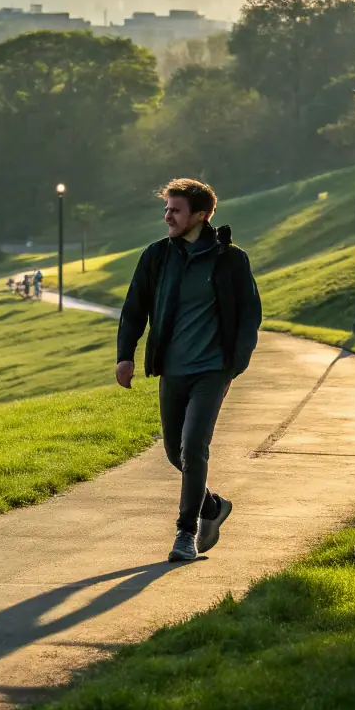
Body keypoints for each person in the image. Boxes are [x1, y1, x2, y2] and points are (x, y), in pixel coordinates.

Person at [116, 178, 262, 564]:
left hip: (212, 371)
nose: (167, 216)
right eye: (166, 208)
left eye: (175, 210)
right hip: (173, 370)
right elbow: (135, 308)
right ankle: (212, 506)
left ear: (200, 215)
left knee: (193, 446)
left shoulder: (231, 260)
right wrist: (125, 356)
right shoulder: (157, 256)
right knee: (174, 451)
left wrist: (232, 369)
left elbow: (249, 318)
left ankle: (186, 533)